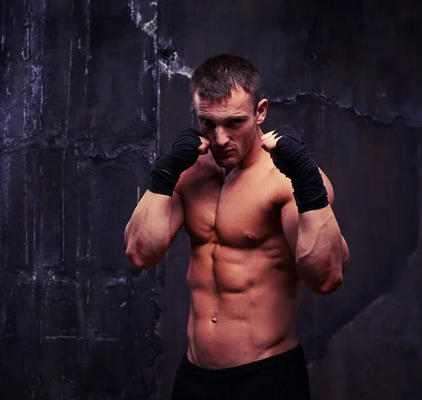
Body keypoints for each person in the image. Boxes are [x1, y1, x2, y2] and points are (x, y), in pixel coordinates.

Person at [124, 54, 350, 400]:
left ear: (260, 111)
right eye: (207, 123)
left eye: (234, 123)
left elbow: (326, 277)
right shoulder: (188, 172)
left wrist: (307, 184)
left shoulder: (287, 182)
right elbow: (141, 254)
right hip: (195, 378)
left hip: (266, 378)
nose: (220, 138)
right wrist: (164, 176)